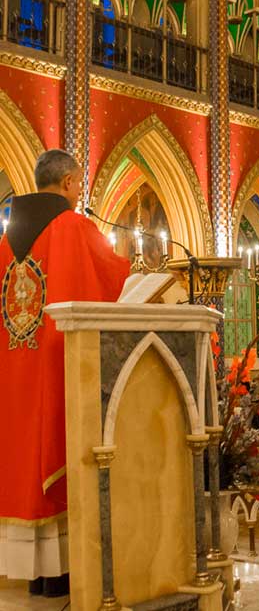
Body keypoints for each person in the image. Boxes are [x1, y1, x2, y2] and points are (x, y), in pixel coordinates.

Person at [0, 150, 130, 595]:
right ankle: (61, 574)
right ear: (71, 182)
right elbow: (110, 279)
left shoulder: (6, 241)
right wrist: (128, 264)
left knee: (23, 459)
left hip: (15, 377)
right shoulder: (72, 227)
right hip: (60, 366)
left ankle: (39, 577)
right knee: (63, 450)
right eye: (79, 183)